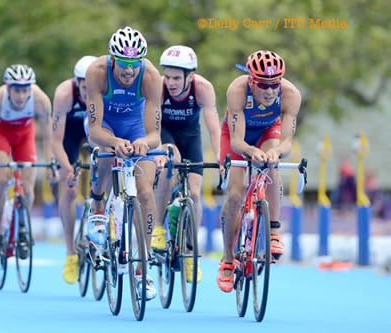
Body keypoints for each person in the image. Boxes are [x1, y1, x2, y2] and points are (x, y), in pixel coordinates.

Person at [85, 26, 162, 300]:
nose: (129, 71)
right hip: (105, 126)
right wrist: (114, 142)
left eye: (134, 64)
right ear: (112, 59)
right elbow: (94, 129)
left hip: (136, 127)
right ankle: (97, 205)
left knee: (145, 192)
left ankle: (143, 267)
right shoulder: (96, 72)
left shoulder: (151, 76)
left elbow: (155, 133)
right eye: (124, 64)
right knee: (106, 150)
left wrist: (146, 143)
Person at [216, 50, 301, 293]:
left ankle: (274, 231)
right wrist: (251, 152)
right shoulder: (237, 91)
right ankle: (228, 259)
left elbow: (286, 142)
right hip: (239, 136)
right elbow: (237, 142)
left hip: (268, 131)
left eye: (275, 84)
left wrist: (275, 153)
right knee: (234, 194)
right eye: (263, 85)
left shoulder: (291, 95)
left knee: (272, 166)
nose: (270, 91)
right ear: (251, 80)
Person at [151, 45, 221, 283]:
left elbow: (213, 127)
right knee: (171, 161)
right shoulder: (158, 88)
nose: (170, 82)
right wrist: (159, 151)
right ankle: (158, 228)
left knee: (194, 192)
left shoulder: (203, 88)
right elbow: (153, 125)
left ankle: (191, 254)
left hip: (191, 135)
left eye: (176, 78)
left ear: (190, 76)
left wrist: (222, 159)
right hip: (165, 134)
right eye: (168, 76)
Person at [0, 64, 53, 256]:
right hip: (1, 136)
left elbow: (48, 137)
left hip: (25, 137)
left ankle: (22, 227)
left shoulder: (41, 101)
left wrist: (51, 164)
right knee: (2, 179)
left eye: (25, 90)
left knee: (27, 188)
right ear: (8, 88)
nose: (21, 96)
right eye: (17, 90)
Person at [51, 55, 97, 284]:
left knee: (104, 178)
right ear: (77, 83)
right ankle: (70, 252)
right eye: (85, 88)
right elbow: (55, 141)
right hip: (69, 136)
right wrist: (68, 168)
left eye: (93, 88)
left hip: (95, 133)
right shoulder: (64, 95)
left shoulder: (104, 91)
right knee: (68, 189)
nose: (89, 93)